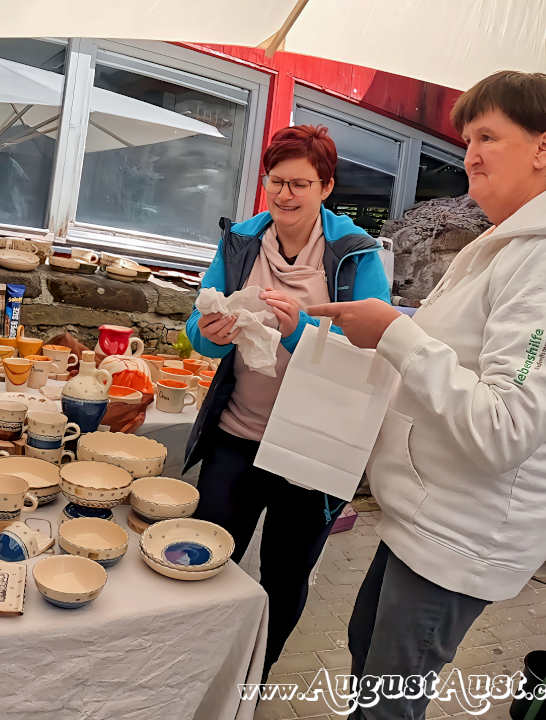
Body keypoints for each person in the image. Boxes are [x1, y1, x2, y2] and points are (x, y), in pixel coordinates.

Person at [307, 71, 546, 719]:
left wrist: (394, 334)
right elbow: (463, 349)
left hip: (463, 533)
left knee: (386, 704)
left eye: (488, 136)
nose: (470, 155)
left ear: (545, 147)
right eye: (468, 140)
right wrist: (393, 329)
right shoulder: (503, 246)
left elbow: (505, 426)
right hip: (424, 512)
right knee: (365, 654)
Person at [184, 124, 391, 675]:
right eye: (276, 181)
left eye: (301, 183)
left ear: (326, 187)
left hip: (314, 449)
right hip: (237, 434)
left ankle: (252, 679)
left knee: (284, 574)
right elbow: (196, 327)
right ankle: (196, 672)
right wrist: (211, 333)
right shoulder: (241, 241)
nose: (285, 194)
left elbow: (377, 349)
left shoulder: (354, 254)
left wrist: (299, 331)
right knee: (205, 555)